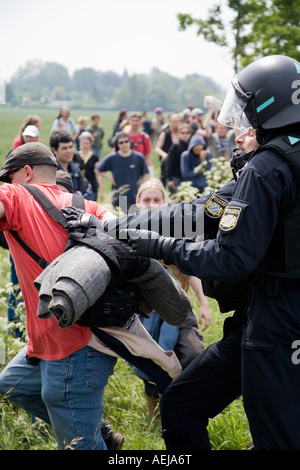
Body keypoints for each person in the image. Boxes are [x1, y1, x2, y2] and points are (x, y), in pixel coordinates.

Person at [124, 54, 300, 450]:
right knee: (183, 403)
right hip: (267, 315)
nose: (239, 131)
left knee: (276, 439)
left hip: (276, 319)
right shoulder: (279, 160)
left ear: (268, 109)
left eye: (248, 121)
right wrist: (114, 226)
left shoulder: (266, 169)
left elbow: (231, 258)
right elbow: (198, 211)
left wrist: (157, 245)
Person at [0, 142, 119, 450]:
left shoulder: (17, 195)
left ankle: (88, 432)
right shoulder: (88, 205)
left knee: (81, 446)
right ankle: (96, 429)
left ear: (26, 173)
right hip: (57, 343)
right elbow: (121, 231)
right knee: (13, 386)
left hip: (73, 351)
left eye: (9, 178)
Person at [131, 179, 210, 416]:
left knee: (194, 354)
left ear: (165, 202)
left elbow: (190, 269)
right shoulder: (129, 232)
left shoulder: (176, 231)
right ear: (137, 203)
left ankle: (185, 406)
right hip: (145, 311)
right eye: (147, 200)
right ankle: (154, 415)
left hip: (179, 306)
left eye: (157, 200)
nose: (152, 204)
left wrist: (204, 302)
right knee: (151, 364)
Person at [95, 131, 148, 209]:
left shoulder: (138, 157)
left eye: (126, 141)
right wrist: (111, 178)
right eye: (121, 142)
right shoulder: (112, 158)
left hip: (135, 194)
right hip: (119, 195)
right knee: (120, 218)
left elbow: (144, 174)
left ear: (130, 142)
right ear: (117, 144)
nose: (124, 144)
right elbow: (98, 170)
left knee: (135, 219)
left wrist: (143, 190)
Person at [49, 130, 93, 200]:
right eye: (64, 148)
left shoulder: (76, 171)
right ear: (54, 150)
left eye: (70, 147)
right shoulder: (49, 173)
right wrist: (77, 196)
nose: (69, 151)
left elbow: (88, 192)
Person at [166, 123, 192, 194]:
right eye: (182, 133)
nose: (185, 135)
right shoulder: (175, 147)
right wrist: (170, 179)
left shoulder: (191, 147)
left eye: (187, 133)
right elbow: (169, 164)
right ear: (178, 134)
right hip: (176, 178)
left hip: (187, 179)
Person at [155, 113, 181, 185]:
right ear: (169, 122)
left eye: (177, 121)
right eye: (173, 121)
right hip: (168, 165)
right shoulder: (165, 134)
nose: (176, 123)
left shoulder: (182, 133)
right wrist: (165, 155)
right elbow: (157, 148)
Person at [73, 131, 99, 201]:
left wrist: (101, 188)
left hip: (92, 186)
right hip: (78, 187)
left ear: (90, 144)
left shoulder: (94, 157)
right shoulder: (74, 156)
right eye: (83, 143)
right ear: (80, 144)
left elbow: (97, 172)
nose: (85, 145)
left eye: (87, 143)